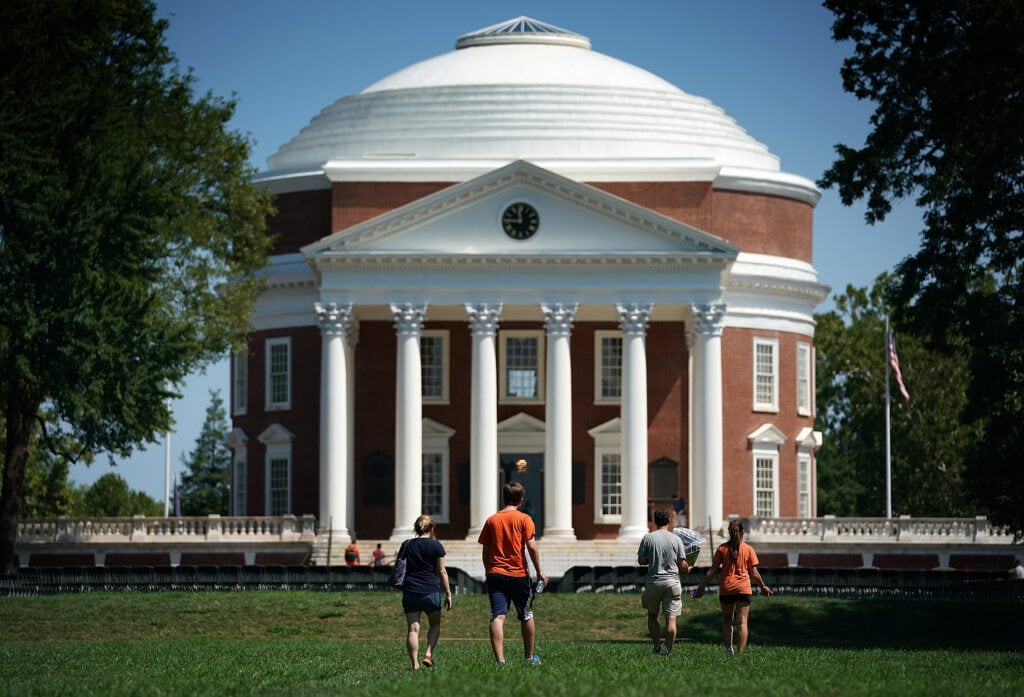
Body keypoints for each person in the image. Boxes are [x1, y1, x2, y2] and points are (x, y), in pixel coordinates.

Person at [478, 480, 548, 666]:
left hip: (496, 574)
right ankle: (529, 658)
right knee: (526, 615)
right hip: (519, 575)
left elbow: (486, 550)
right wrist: (540, 571)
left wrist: (488, 571)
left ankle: (500, 661)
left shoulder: (492, 520)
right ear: (521, 500)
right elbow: (531, 546)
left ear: (504, 498)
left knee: (498, 616)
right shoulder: (524, 519)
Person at [693, 519, 773, 654]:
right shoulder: (748, 549)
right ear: (743, 532)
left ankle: (728, 648)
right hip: (743, 589)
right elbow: (754, 574)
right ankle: (740, 653)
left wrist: (701, 588)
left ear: (729, 533)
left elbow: (712, 571)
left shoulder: (721, 549)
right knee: (742, 622)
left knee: (726, 619)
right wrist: (763, 587)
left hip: (726, 589)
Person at [397, 515, 452, 670]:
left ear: (416, 528)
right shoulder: (436, 546)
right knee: (434, 625)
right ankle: (428, 654)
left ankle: (414, 664)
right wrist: (448, 593)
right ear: (431, 528)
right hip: (430, 591)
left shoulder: (407, 544)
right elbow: (442, 571)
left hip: (411, 591)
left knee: (413, 629)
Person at [637, 508, 691, 656]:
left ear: (655, 521)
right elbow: (683, 564)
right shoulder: (676, 539)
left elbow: (641, 560)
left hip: (654, 581)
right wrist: (688, 568)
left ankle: (657, 647)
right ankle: (669, 650)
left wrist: (650, 559)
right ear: (669, 521)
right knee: (671, 619)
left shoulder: (648, 538)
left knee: (652, 615)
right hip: (672, 582)